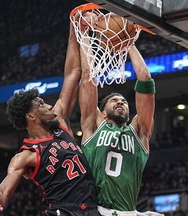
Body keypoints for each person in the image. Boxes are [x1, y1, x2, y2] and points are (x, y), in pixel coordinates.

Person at [0, 23, 100, 216]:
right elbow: (5, 189)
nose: (48, 106)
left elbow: (73, 73)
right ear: (30, 116)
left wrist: (75, 31)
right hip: (62, 211)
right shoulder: (27, 155)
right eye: (40, 104)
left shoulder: (60, 124)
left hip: (90, 209)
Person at [78, 30, 162, 215]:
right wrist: (84, 32)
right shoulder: (93, 126)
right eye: (114, 100)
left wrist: (128, 43)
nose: (120, 102)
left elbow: (146, 80)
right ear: (103, 112)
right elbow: (87, 76)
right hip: (98, 210)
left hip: (129, 211)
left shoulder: (139, 132)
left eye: (124, 101)